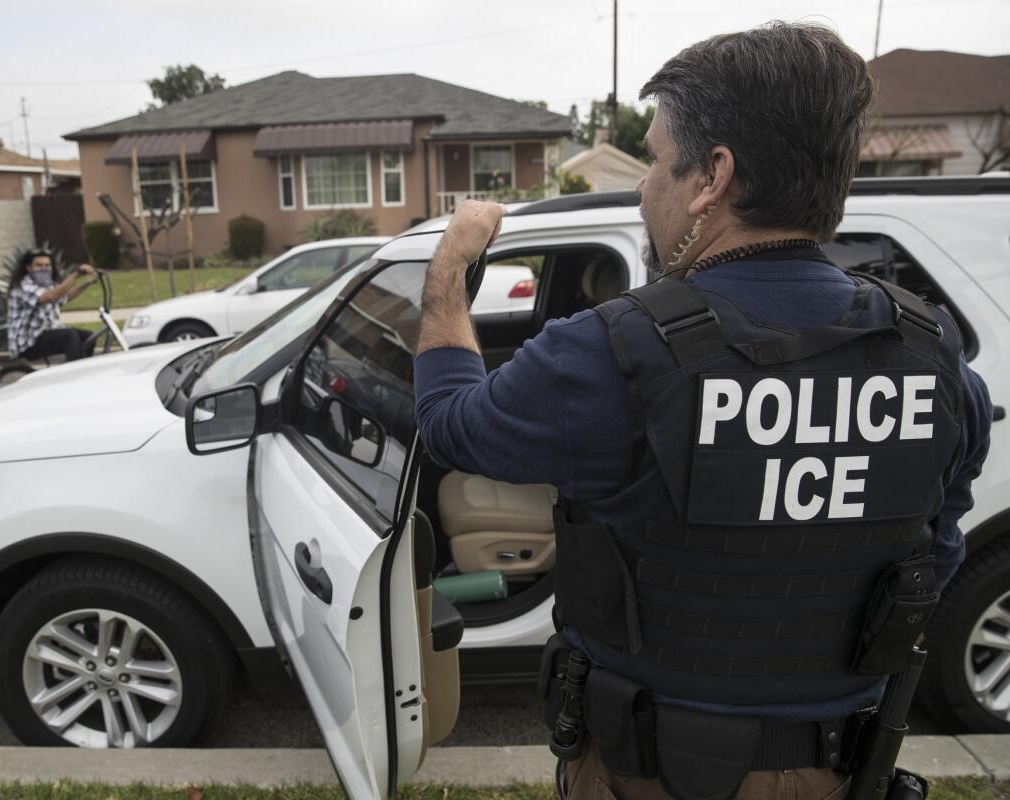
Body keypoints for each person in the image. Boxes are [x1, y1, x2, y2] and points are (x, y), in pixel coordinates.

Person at [414, 22, 992, 800]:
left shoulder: (609, 352)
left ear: (712, 176)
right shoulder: (931, 349)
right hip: (834, 770)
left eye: (655, 158)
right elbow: (938, 544)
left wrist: (449, 270)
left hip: (645, 772)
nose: (647, 183)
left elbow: (450, 419)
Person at [6, 249, 99, 362]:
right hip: (27, 341)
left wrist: (87, 282)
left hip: (44, 332)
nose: (44, 269)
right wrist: (76, 274)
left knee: (89, 337)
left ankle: (79, 367)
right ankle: (77, 374)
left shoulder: (48, 285)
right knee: (68, 336)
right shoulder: (22, 287)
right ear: (29, 268)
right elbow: (50, 297)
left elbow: (66, 297)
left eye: (47, 265)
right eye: (39, 265)